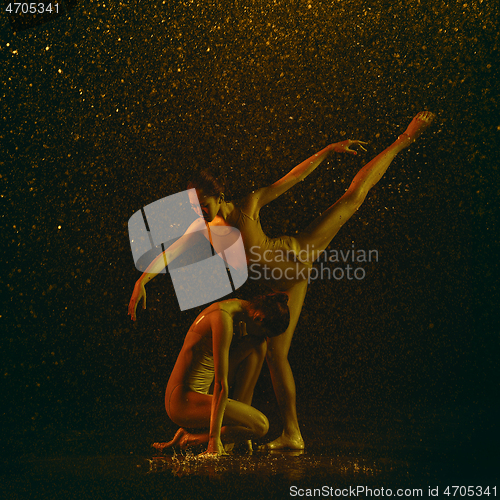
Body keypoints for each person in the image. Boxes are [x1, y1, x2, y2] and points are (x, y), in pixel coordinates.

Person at [130, 111, 435, 450]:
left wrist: (326, 151)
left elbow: (292, 179)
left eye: (204, 204)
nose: (200, 212)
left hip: (297, 254)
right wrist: (141, 282)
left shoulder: (249, 205)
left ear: (218, 194)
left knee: (352, 198)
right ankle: (291, 433)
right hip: (286, 287)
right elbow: (170, 251)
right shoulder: (203, 228)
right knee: (275, 354)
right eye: (195, 207)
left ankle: (405, 137)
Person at [152, 293, 290, 456]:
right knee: (261, 426)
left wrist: (242, 429)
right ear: (259, 318)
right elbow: (221, 383)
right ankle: (191, 439)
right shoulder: (222, 318)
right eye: (264, 332)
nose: (262, 336)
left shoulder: (242, 307)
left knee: (258, 344)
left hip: (203, 393)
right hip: (182, 400)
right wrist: (213, 440)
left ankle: (239, 434)